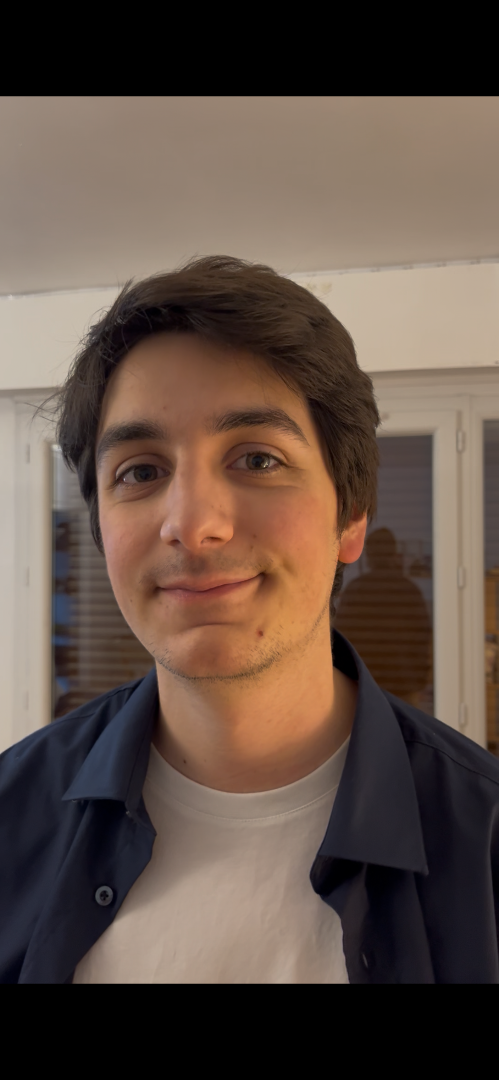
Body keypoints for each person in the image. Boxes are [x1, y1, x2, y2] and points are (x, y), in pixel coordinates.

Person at [1, 256, 498, 984]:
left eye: (258, 459)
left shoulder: (483, 843)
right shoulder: (13, 815)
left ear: (351, 518)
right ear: (101, 528)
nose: (192, 524)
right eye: (140, 471)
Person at [335, 527, 432, 705]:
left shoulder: (356, 590)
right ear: (393, 554)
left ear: (368, 555)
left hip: (365, 686)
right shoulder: (410, 591)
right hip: (403, 685)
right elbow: (422, 636)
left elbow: (341, 639)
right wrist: (419, 679)